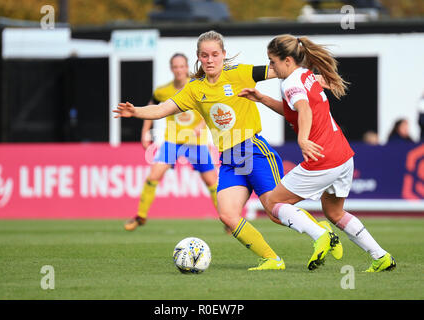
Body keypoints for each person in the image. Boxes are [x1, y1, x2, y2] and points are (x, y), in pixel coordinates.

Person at [114, 30, 341, 271]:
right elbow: (162, 109)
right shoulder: (194, 89)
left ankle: (322, 232)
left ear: (223, 55)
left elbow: (283, 70)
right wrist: (136, 111)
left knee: (275, 212)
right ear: (198, 58)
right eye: (204, 55)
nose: (210, 60)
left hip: (254, 150)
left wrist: (312, 79)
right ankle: (272, 259)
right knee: (228, 215)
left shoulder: (240, 73)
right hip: (231, 158)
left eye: (214, 54)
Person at [239, 34, 396, 272]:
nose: (271, 67)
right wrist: (263, 99)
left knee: (272, 204)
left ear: (288, 60)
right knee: (334, 212)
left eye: (273, 61)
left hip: (322, 158)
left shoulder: (291, 82)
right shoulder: (305, 75)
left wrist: (302, 139)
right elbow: (294, 109)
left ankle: (320, 234)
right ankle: (381, 256)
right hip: (343, 156)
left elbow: (302, 108)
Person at [124, 53, 219, 231]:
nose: (179, 70)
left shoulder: (198, 85)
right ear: (171, 69)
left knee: (212, 182)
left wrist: (200, 125)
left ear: (187, 67)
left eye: (182, 66)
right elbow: (151, 108)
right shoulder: (163, 91)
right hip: (173, 142)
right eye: (175, 67)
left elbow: (211, 108)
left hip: (196, 143)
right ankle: (140, 216)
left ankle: (226, 219)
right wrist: (145, 131)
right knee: (154, 175)